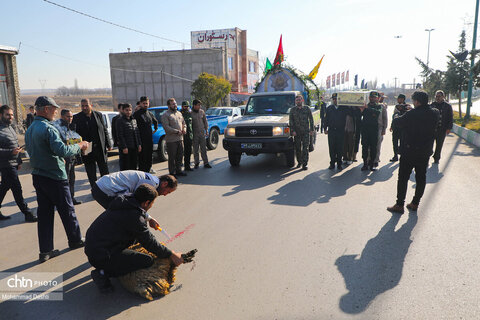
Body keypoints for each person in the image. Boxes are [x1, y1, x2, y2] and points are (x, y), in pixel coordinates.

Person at [85, 184, 184, 293]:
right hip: (102, 255)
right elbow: (149, 242)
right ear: (146, 202)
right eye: (152, 203)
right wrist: (171, 254)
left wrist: (148, 218)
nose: (151, 206)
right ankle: (103, 273)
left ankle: (111, 264)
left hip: (95, 247)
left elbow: (138, 214)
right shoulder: (135, 218)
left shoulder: (126, 201)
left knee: (136, 241)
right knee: (146, 260)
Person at [25, 96, 89, 262]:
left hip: (38, 176)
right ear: (46, 109)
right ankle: (75, 240)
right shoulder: (48, 128)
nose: (55, 112)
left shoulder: (31, 128)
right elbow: (62, 151)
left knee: (45, 215)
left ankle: (45, 251)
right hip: (55, 177)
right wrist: (80, 145)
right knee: (67, 210)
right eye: (54, 108)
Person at [387, 91, 439, 214]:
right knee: (421, 178)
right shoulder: (434, 113)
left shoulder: (411, 114)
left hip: (409, 151)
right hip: (425, 152)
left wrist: (399, 114)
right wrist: (410, 111)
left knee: (403, 178)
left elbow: (397, 122)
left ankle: (400, 204)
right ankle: (415, 203)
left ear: (416, 101)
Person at [0, 105, 37, 221]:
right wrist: (11, 152)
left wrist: (19, 160)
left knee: (4, 187)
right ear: (1, 115)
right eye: (7, 115)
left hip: (13, 163)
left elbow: (16, 145)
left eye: (11, 115)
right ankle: (27, 213)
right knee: (17, 188)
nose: (10, 117)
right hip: (5, 164)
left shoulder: (10, 128)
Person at [73, 98, 111, 187]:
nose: (84, 108)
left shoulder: (98, 115)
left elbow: (104, 130)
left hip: (100, 147)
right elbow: (75, 135)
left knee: (104, 170)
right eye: (82, 106)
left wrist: (108, 144)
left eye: (86, 105)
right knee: (91, 172)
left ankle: (106, 188)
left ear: (91, 105)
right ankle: (95, 190)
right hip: (87, 148)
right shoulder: (77, 118)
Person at [92, 170, 177, 209]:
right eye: (168, 192)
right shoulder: (151, 184)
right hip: (105, 189)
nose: (165, 194)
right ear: (164, 184)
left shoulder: (153, 180)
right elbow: (137, 203)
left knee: (121, 212)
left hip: (102, 186)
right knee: (124, 212)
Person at [53, 109, 83, 205]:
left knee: (72, 179)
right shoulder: (58, 128)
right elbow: (58, 145)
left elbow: (72, 141)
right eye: (68, 117)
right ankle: (63, 201)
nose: (70, 118)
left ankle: (71, 198)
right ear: (62, 116)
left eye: (71, 117)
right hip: (64, 158)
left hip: (71, 157)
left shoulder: (70, 127)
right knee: (64, 181)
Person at [161, 98, 187, 177]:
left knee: (180, 155)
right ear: (169, 105)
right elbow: (166, 127)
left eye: (175, 103)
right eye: (173, 104)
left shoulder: (179, 113)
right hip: (171, 140)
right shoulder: (166, 115)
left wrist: (184, 129)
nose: (175, 105)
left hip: (180, 139)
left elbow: (184, 123)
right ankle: (172, 173)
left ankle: (179, 170)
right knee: (172, 157)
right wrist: (176, 131)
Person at [289, 94, 314, 170]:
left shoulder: (307, 109)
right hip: (297, 132)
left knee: (305, 148)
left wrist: (311, 129)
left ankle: (305, 164)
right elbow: (291, 121)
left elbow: (311, 119)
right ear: (295, 101)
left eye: (299, 100)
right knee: (297, 148)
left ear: (302, 100)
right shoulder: (293, 110)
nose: (298, 101)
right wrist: (292, 131)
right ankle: (299, 162)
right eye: (297, 100)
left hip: (306, 131)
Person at [134, 96, 158, 173]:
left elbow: (155, 121)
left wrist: (155, 128)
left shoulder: (149, 113)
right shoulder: (136, 114)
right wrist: (138, 143)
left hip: (149, 140)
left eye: (146, 103)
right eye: (143, 103)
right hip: (141, 141)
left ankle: (148, 173)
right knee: (142, 159)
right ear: (140, 103)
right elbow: (134, 129)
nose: (145, 105)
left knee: (149, 158)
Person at [324, 93, 349, 170]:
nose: (335, 100)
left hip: (340, 131)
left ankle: (339, 164)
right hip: (331, 131)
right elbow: (326, 119)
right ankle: (332, 163)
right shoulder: (329, 108)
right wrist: (325, 128)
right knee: (332, 148)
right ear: (332, 100)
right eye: (334, 99)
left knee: (339, 148)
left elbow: (352, 113)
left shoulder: (344, 108)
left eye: (337, 99)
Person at [359, 91, 382, 171]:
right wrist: (363, 110)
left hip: (373, 129)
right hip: (365, 129)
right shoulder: (365, 106)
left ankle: (372, 164)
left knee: (373, 147)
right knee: (364, 147)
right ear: (369, 98)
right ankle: (365, 163)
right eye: (371, 97)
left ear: (377, 98)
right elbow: (360, 115)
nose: (373, 99)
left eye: (374, 97)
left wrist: (367, 109)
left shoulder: (378, 106)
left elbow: (377, 113)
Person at [116, 103, 142, 171]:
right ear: (123, 110)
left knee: (134, 166)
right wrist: (124, 147)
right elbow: (120, 135)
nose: (128, 112)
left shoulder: (133, 120)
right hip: (126, 148)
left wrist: (139, 144)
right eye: (126, 110)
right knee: (126, 167)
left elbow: (137, 133)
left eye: (130, 110)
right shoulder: (120, 121)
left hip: (134, 147)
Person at [430, 90, 453, 164]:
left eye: (439, 96)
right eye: (436, 96)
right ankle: (428, 155)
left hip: (442, 129)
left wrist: (449, 128)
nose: (437, 98)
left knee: (439, 144)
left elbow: (450, 117)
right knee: (429, 144)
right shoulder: (432, 105)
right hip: (432, 129)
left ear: (443, 97)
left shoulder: (447, 106)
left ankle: (436, 158)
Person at [389, 94, 412, 162]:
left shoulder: (408, 106)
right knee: (395, 142)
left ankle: (402, 155)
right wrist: (392, 126)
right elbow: (394, 117)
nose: (397, 100)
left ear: (402, 99)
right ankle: (395, 155)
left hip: (403, 128)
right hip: (396, 128)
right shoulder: (396, 106)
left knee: (402, 142)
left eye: (398, 98)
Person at [191, 99, 211, 169]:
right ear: (194, 105)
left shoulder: (202, 112)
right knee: (195, 150)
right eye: (198, 105)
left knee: (203, 149)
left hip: (202, 133)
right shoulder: (191, 113)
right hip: (195, 134)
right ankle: (196, 163)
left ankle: (206, 163)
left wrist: (207, 130)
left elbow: (205, 121)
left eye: (200, 105)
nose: (200, 106)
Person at [373, 93, 388, 167]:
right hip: (370, 128)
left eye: (376, 97)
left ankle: (376, 160)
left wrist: (384, 129)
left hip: (379, 128)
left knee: (377, 145)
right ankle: (369, 159)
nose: (374, 99)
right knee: (369, 146)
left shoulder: (382, 106)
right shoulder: (368, 106)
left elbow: (385, 118)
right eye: (372, 97)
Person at [180, 101, 194, 171]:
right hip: (182, 136)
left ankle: (187, 166)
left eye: (187, 106)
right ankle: (178, 168)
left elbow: (192, 125)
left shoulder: (190, 114)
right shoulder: (179, 114)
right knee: (181, 152)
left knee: (188, 151)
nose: (186, 108)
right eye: (185, 106)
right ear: (182, 106)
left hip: (189, 135)